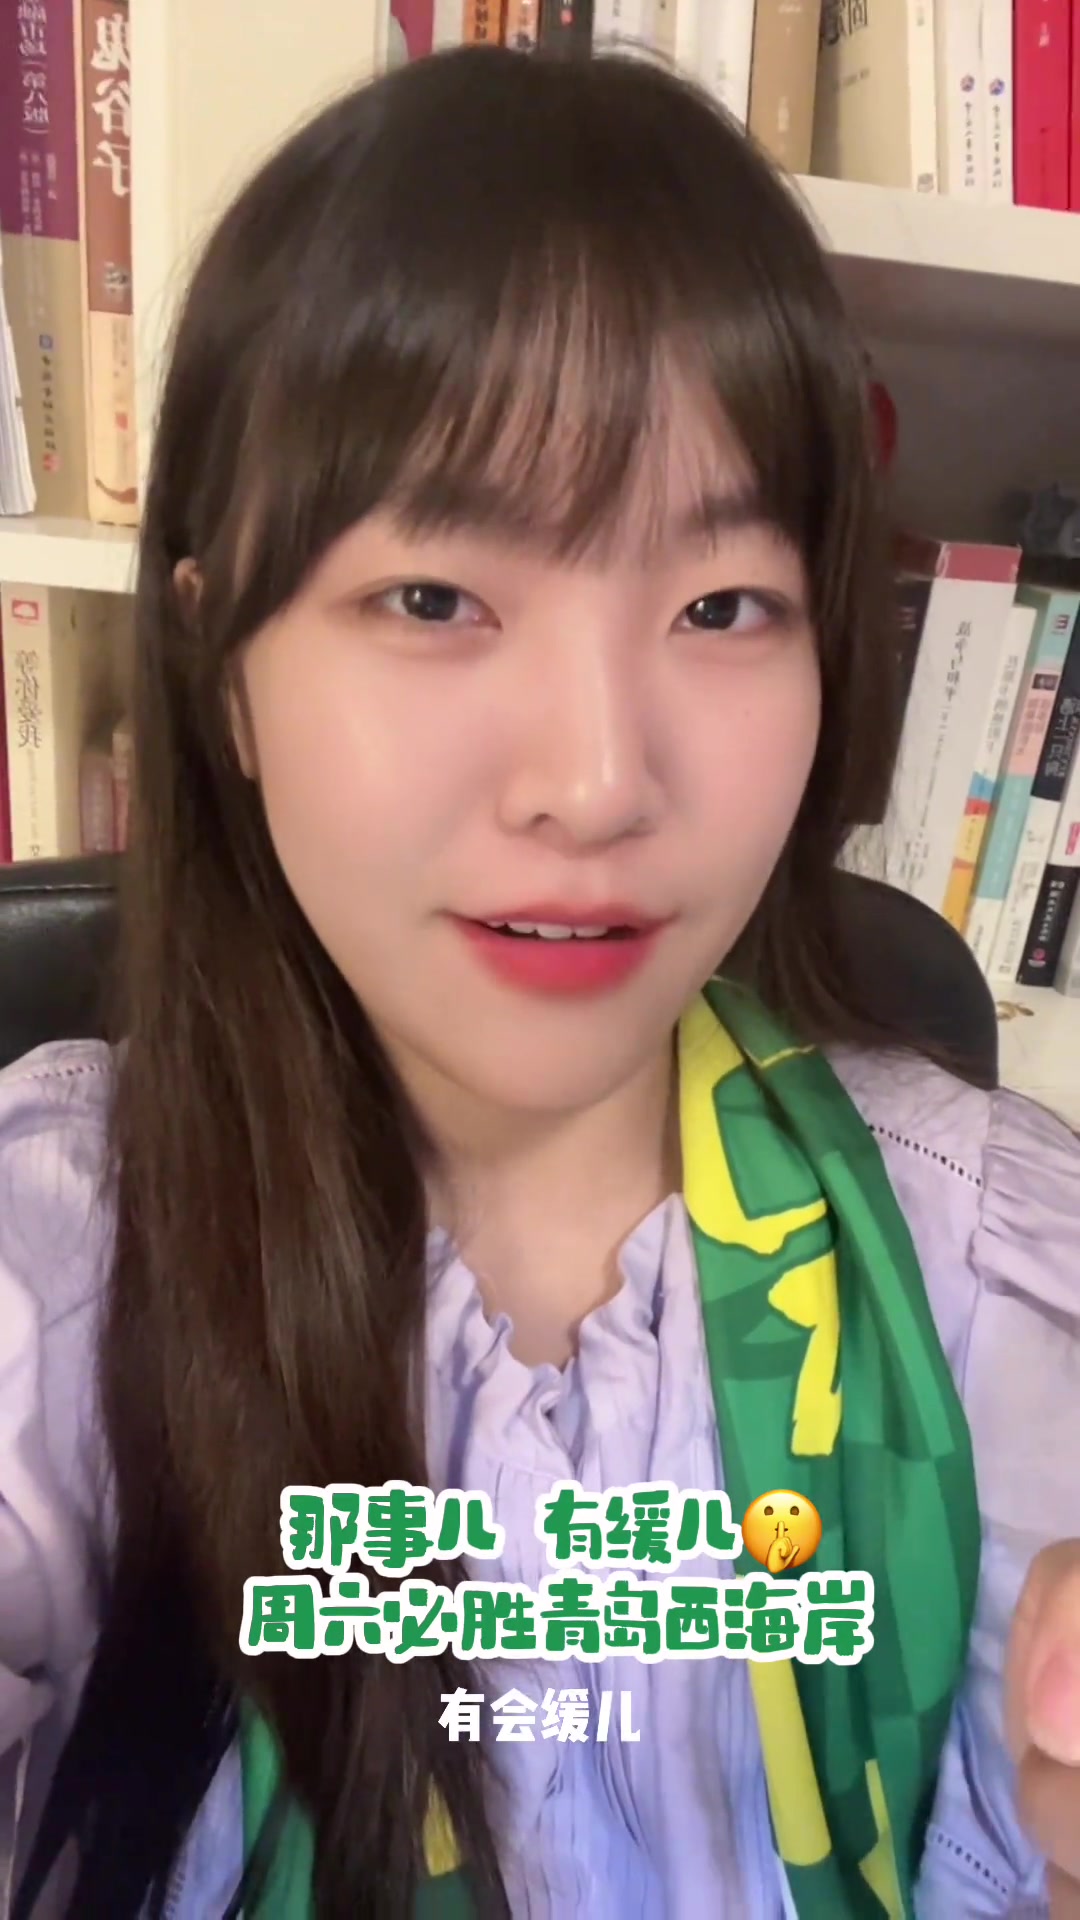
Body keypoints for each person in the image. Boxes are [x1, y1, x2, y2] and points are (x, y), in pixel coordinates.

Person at [0, 41, 1078, 1920]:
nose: (595, 782)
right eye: (435, 599)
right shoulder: (66, 1257)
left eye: (722, 606)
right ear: (220, 669)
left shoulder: (991, 1267)